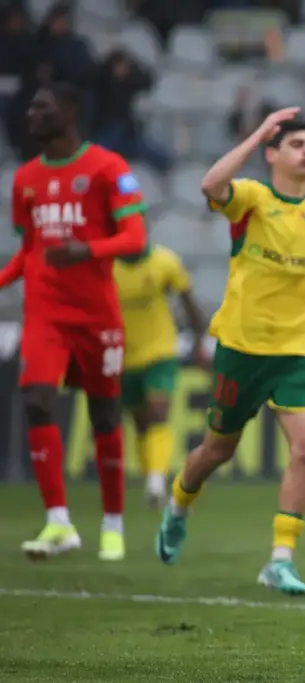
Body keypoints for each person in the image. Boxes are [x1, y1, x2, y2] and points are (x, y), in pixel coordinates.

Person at [153, 106, 305, 596]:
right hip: (241, 346)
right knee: (218, 448)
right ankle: (177, 506)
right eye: (298, 145)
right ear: (273, 154)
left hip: (297, 351)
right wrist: (258, 132)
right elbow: (211, 185)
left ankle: (280, 558)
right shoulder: (254, 199)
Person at [0, 82, 148, 561]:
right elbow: (29, 249)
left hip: (96, 316)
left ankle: (112, 523)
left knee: (105, 415)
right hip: (45, 312)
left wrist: (87, 249)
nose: (31, 113)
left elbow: (134, 238)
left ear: (69, 110)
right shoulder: (24, 178)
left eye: (42, 106)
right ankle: (58, 521)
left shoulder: (108, 168)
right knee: (37, 400)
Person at [114, 244, 207, 507]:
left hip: (160, 351)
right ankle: (151, 478)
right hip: (124, 357)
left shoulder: (164, 262)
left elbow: (189, 302)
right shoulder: (107, 266)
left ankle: (156, 481)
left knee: (158, 412)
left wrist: (200, 340)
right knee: (141, 422)